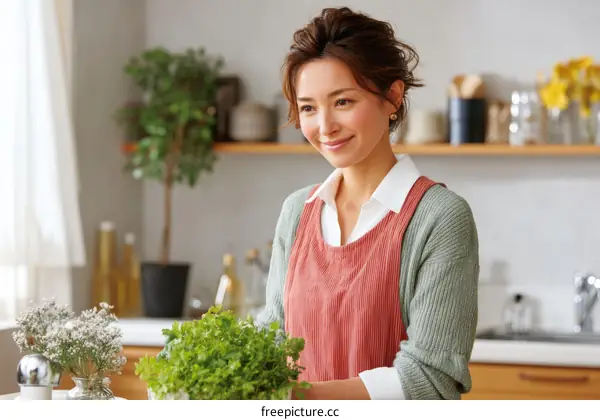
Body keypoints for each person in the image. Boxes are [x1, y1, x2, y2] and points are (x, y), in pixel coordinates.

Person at [256, 6, 479, 400]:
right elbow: (272, 336)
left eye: (342, 101)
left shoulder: (439, 217)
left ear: (392, 97)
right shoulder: (297, 211)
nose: (324, 127)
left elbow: (431, 378)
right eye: (308, 108)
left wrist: (299, 398)